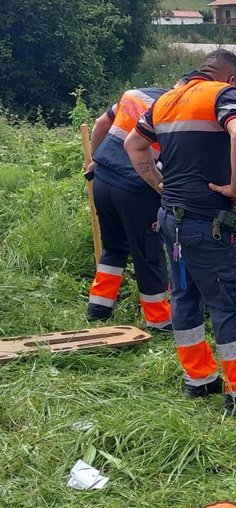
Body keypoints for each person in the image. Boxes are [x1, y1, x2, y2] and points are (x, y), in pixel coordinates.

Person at [124, 49, 236, 423]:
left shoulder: (165, 101)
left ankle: (199, 379)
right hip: (208, 223)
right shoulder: (221, 95)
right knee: (230, 300)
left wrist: (160, 184)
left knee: (184, 296)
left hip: (172, 219)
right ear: (231, 79)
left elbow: (133, 145)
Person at [86, 86, 172, 332]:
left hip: (103, 178)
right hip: (136, 189)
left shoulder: (135, 95)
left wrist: (95, 159)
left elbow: (100, 124)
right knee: (148, 253)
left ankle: (98, 308)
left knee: (113, 248)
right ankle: (159, 320)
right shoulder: (176, 108)